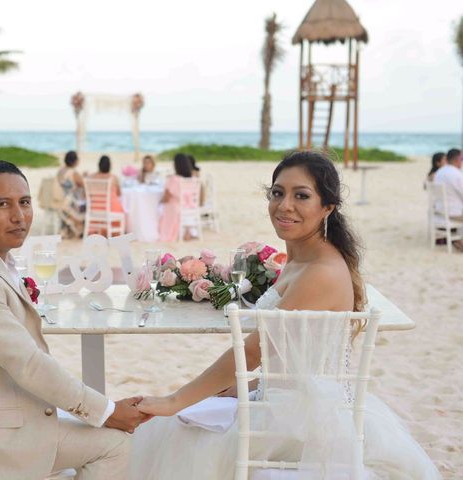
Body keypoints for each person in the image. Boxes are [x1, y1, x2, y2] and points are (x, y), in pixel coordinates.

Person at [131, 151, 441, 480]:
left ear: (328, 207)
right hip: (279, 396)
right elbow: (294, 354)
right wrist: (248, 385)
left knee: (174, 430)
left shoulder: (320, 271)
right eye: (277, 193)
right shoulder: (301, 258)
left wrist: (174, 400)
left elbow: (253, 350)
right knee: (181, 421)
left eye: (301, 196)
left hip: (300, 422)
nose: (285, 205)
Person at [0, 161, 148, 480]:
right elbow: (28, 364)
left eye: (25, 202)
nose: (19, 216)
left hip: (7, 416)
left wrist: (101, 410)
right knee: (114, 444)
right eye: (2, 204)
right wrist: (107, 412)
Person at [158, 153, 196, 242]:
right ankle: (187, 232)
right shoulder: (193, 179)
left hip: (175, 207)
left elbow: (166, 198)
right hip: (189, 206)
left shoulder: (174, 179)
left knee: (158, 208)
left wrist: (159, 201)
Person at [433, 148, 463, 251]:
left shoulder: (440, 172)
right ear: (457, 159)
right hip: (453, 214)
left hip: (440, 211)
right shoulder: (456, 174)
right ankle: (459, 240)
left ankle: (458, 239)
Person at [87, 155, 125, 236]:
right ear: (110, 166)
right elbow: (119, 194)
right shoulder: (113, 178)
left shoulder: (90, 177)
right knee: (121, 209)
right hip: (109, 210)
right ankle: (112, 232)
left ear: (99, 165)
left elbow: (85, 195)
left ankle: (100, 230)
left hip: (94, 209)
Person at [56, 150, 86, 238]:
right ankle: (80, 230)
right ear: (75, 161)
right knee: (86, 205)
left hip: (61, 201)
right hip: (70, 203)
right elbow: (83, 184)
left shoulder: (61, 171)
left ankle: (68, 229)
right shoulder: (73, 172)